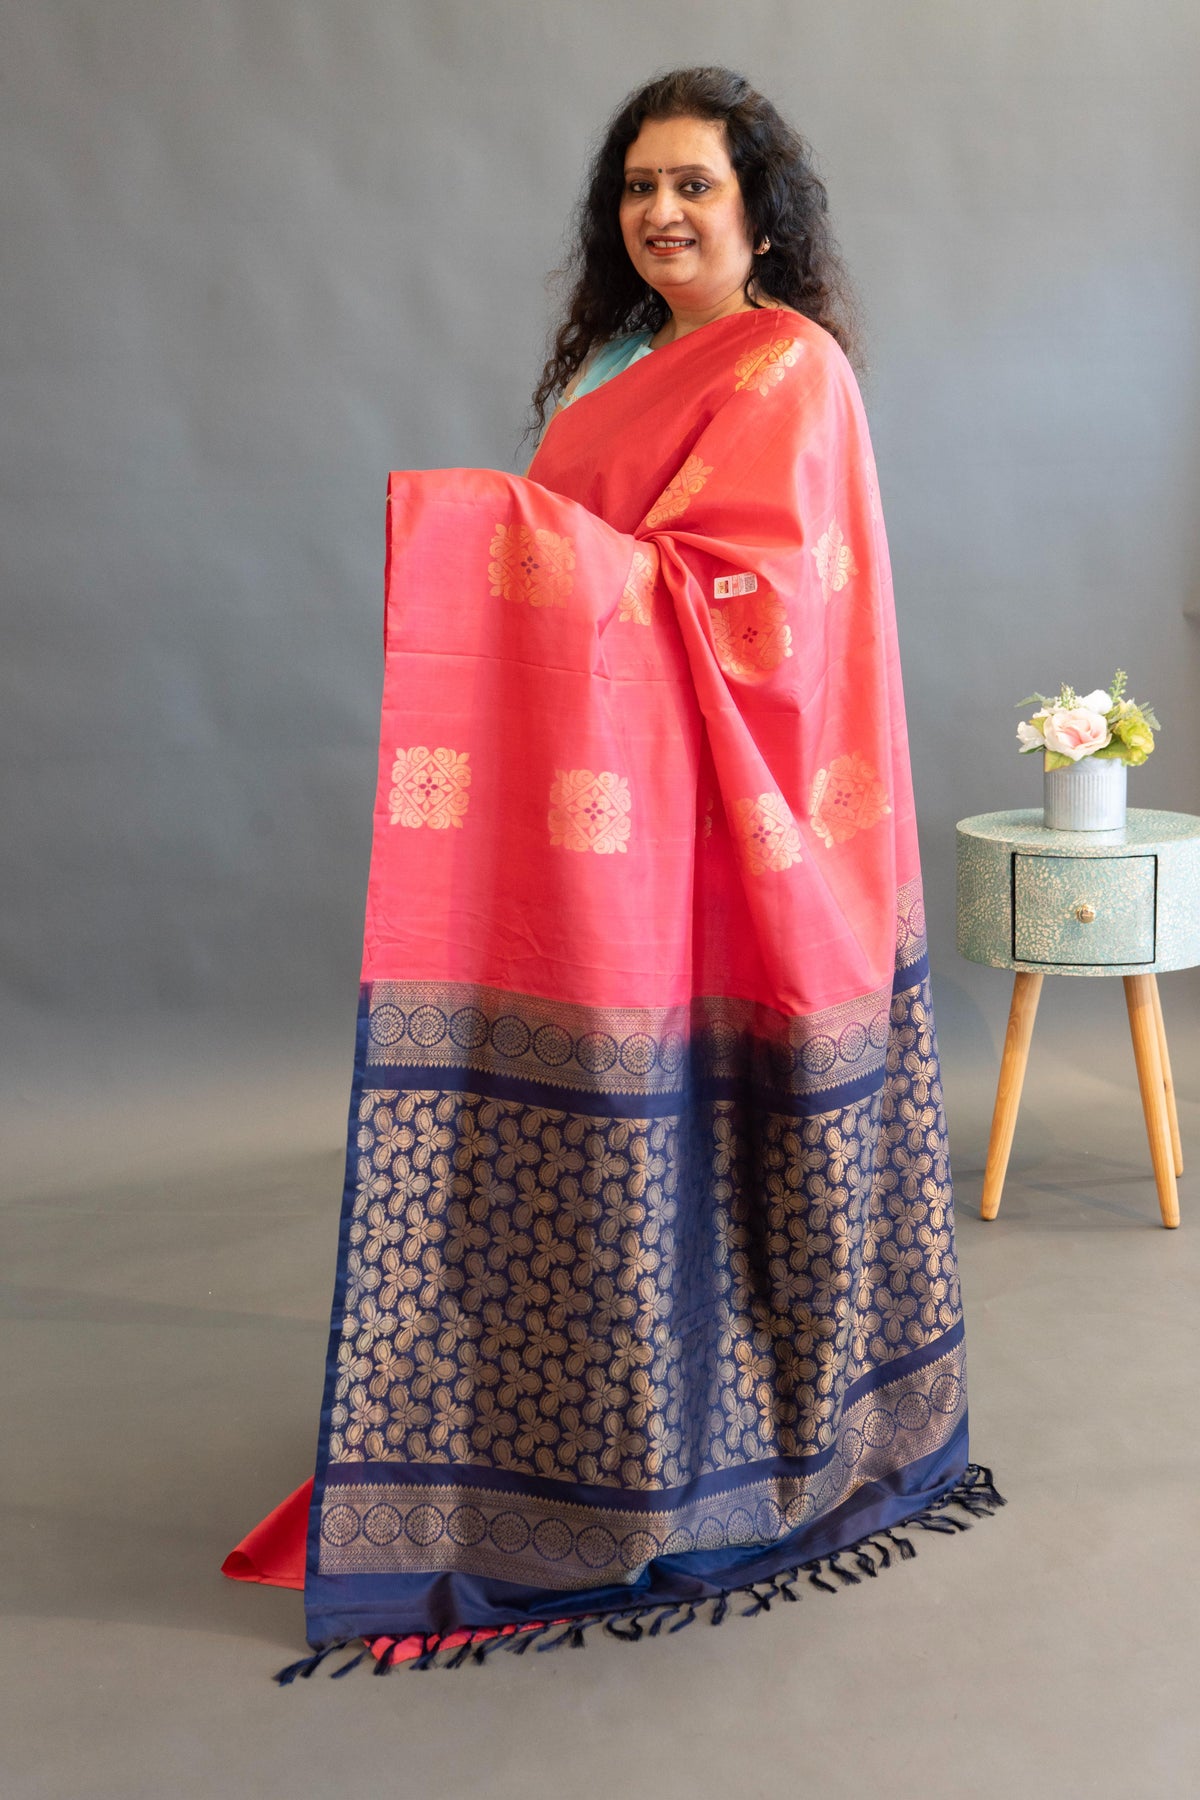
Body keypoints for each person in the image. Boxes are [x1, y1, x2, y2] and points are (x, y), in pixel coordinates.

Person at [224, 66, 1000, 1677]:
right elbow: (597, 587)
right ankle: (584, 1430)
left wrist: (492, 539)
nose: (662, 211)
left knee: (712, 1138)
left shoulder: (790, 369)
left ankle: (725, 1443)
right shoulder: (617, 366)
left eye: (694, 184)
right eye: (639, 187)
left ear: (759, 210)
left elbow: (762, 619)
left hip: (741, 845)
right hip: (611, 846)